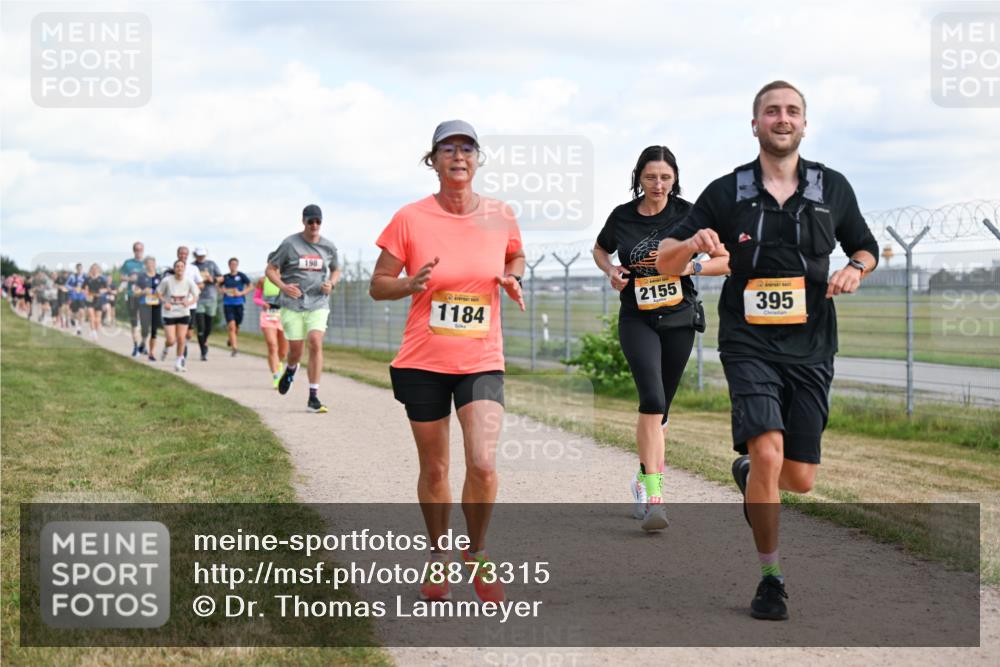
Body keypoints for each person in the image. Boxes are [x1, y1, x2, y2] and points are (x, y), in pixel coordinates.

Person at [656, 81, 878, 621]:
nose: (783, 118)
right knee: (770, 452)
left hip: (811, 345)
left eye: (792, 111)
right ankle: (771, 578)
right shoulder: (726, 192)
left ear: (805, 123)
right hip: (748, 341)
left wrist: (856, 268)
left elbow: (865, 247)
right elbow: (665, 259)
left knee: (798, 477)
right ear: (754, 124)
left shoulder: (834, 188)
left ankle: (752, 473)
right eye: (771, 111)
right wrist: (693, 243)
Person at [369, 120, 526, 604]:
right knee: (435, 469)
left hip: (481, 358)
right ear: (432, 161)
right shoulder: (409, 218)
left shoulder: (500, 214)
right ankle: (439, 554)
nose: (458, 156)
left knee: (482, 462)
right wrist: (410, 284)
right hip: (423, 361)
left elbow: (516, 256)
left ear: (477, 159)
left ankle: (476, 553)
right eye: (447, 149)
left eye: (467, 148)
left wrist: (510, 276)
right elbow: (378, 284)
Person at [593, 145, 730, 532]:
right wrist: (610, 270)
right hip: (637, 316)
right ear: (638, 177)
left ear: (675, 178)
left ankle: (642, 475)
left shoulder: (690, 216)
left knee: (663, 410)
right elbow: (601, 248)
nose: (658, 184)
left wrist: (693, 264)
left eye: (665, 177)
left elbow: (726, 260)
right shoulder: (621, 216)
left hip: (680, 318)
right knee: (651, 400)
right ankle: (656, 497)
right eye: (650, 176)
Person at [266, 204, 341, 413]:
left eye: (318, 221)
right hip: (293, 304)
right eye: (311, 221)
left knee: (315, 342)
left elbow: (336, 269)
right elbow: (271, 269)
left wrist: (331, 284)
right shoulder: (290, 244)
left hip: (318, 302)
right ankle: (290, 369)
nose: (314, 225)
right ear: (304, 221)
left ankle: (313, 397)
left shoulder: (328, 246)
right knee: (296, 352)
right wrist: (283, 286)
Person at [157, 258, 201, 372]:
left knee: (181, 339)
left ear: (184, 269)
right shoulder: (167, 280)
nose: (179, 269)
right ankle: (166, 347)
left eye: (182, 267)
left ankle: (178, 363)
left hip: (183, 312)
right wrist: (164, 302)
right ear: (174, 269)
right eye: (177, 267)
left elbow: (196, 295)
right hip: (169, 312)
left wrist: (189, 302)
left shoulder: (189, 281)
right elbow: (159, 293)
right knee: (171, 340)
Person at [253, 276, 289, 387]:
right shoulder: (263, 280)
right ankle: (276, 376)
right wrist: (262, 303)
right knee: (272, 346)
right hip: (268, 316)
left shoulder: (288, 278)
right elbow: (256, 298)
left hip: (284, 316)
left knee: (283, 352)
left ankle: (279, 363)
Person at [191, 248, 222, 361]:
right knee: (201, 326)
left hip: (211, 298)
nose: (201, 258)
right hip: (198, 298)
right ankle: (203, 351)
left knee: (208, 326)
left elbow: (220, 277)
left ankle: (205, 340)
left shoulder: (211, 264)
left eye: (203, 255)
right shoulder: (192, 266)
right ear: (195, 255)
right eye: (199, 256)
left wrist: (212, 279)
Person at [221, 257, 252, 356]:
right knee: (231, 326)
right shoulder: (225, 277)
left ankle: (231, 339)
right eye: (231, 264)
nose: (233, 266)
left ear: (237, 265)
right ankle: (235, 348)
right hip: (228, 304)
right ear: (229, 265)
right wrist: (223, 291)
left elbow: (250, 286)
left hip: (239, 303)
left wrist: (242, 293)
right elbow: (218, 285)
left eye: (235, 264)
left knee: (237, 326)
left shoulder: (241, 276)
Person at [135, 256, 163, 362]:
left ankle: (151, 353)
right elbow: (136, 291)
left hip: (156, 305)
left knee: (154, 329)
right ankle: (143, 343)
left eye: (152, 263)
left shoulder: (160, 277)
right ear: (145, 265)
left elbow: (164, 290)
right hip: (144, 304)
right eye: (148, 263)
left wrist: (159, 293)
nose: (151, 265)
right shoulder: (141, 277)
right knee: (145, 327)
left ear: (155, 264)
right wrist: (143, 291)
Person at [121, 242, 146, 356]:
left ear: (143, 250)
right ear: (134, 250)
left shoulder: (147, 263)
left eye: (140, 249)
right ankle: (136, 347)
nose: (139, 251)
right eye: (137, 249)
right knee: (134, 322)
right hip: (132, 295)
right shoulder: (128, 263)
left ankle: (143, 344)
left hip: (145, 296)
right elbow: (122, 277)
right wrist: (130, 278)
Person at [83, 263, 109, 340]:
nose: (94, 270)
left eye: (95, 269)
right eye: (92, 269)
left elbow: (106, 289)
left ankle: (95, 332)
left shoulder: (102, 279)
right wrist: (85, 293)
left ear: (98, 270)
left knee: (98, 319)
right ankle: (93, 332)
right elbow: (83, 288)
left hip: (99, 299)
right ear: (91, 270)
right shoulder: (88, 279)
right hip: (90, 298)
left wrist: (102, 291)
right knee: (91, 316)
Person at [66, 263, 87, 335]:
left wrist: (85, 290)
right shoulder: (72, 276)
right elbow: (66, 285)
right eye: (78, 269)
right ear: (76, 269)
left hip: (81, 296)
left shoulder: (85, 276)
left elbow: (88, 285)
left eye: (81, 268)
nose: (80, 270)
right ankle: (72, 318)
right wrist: (73, 288)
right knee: (74, 312)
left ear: (82, 268)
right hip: (74, 296)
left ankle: (79, 329)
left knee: (81, 312)